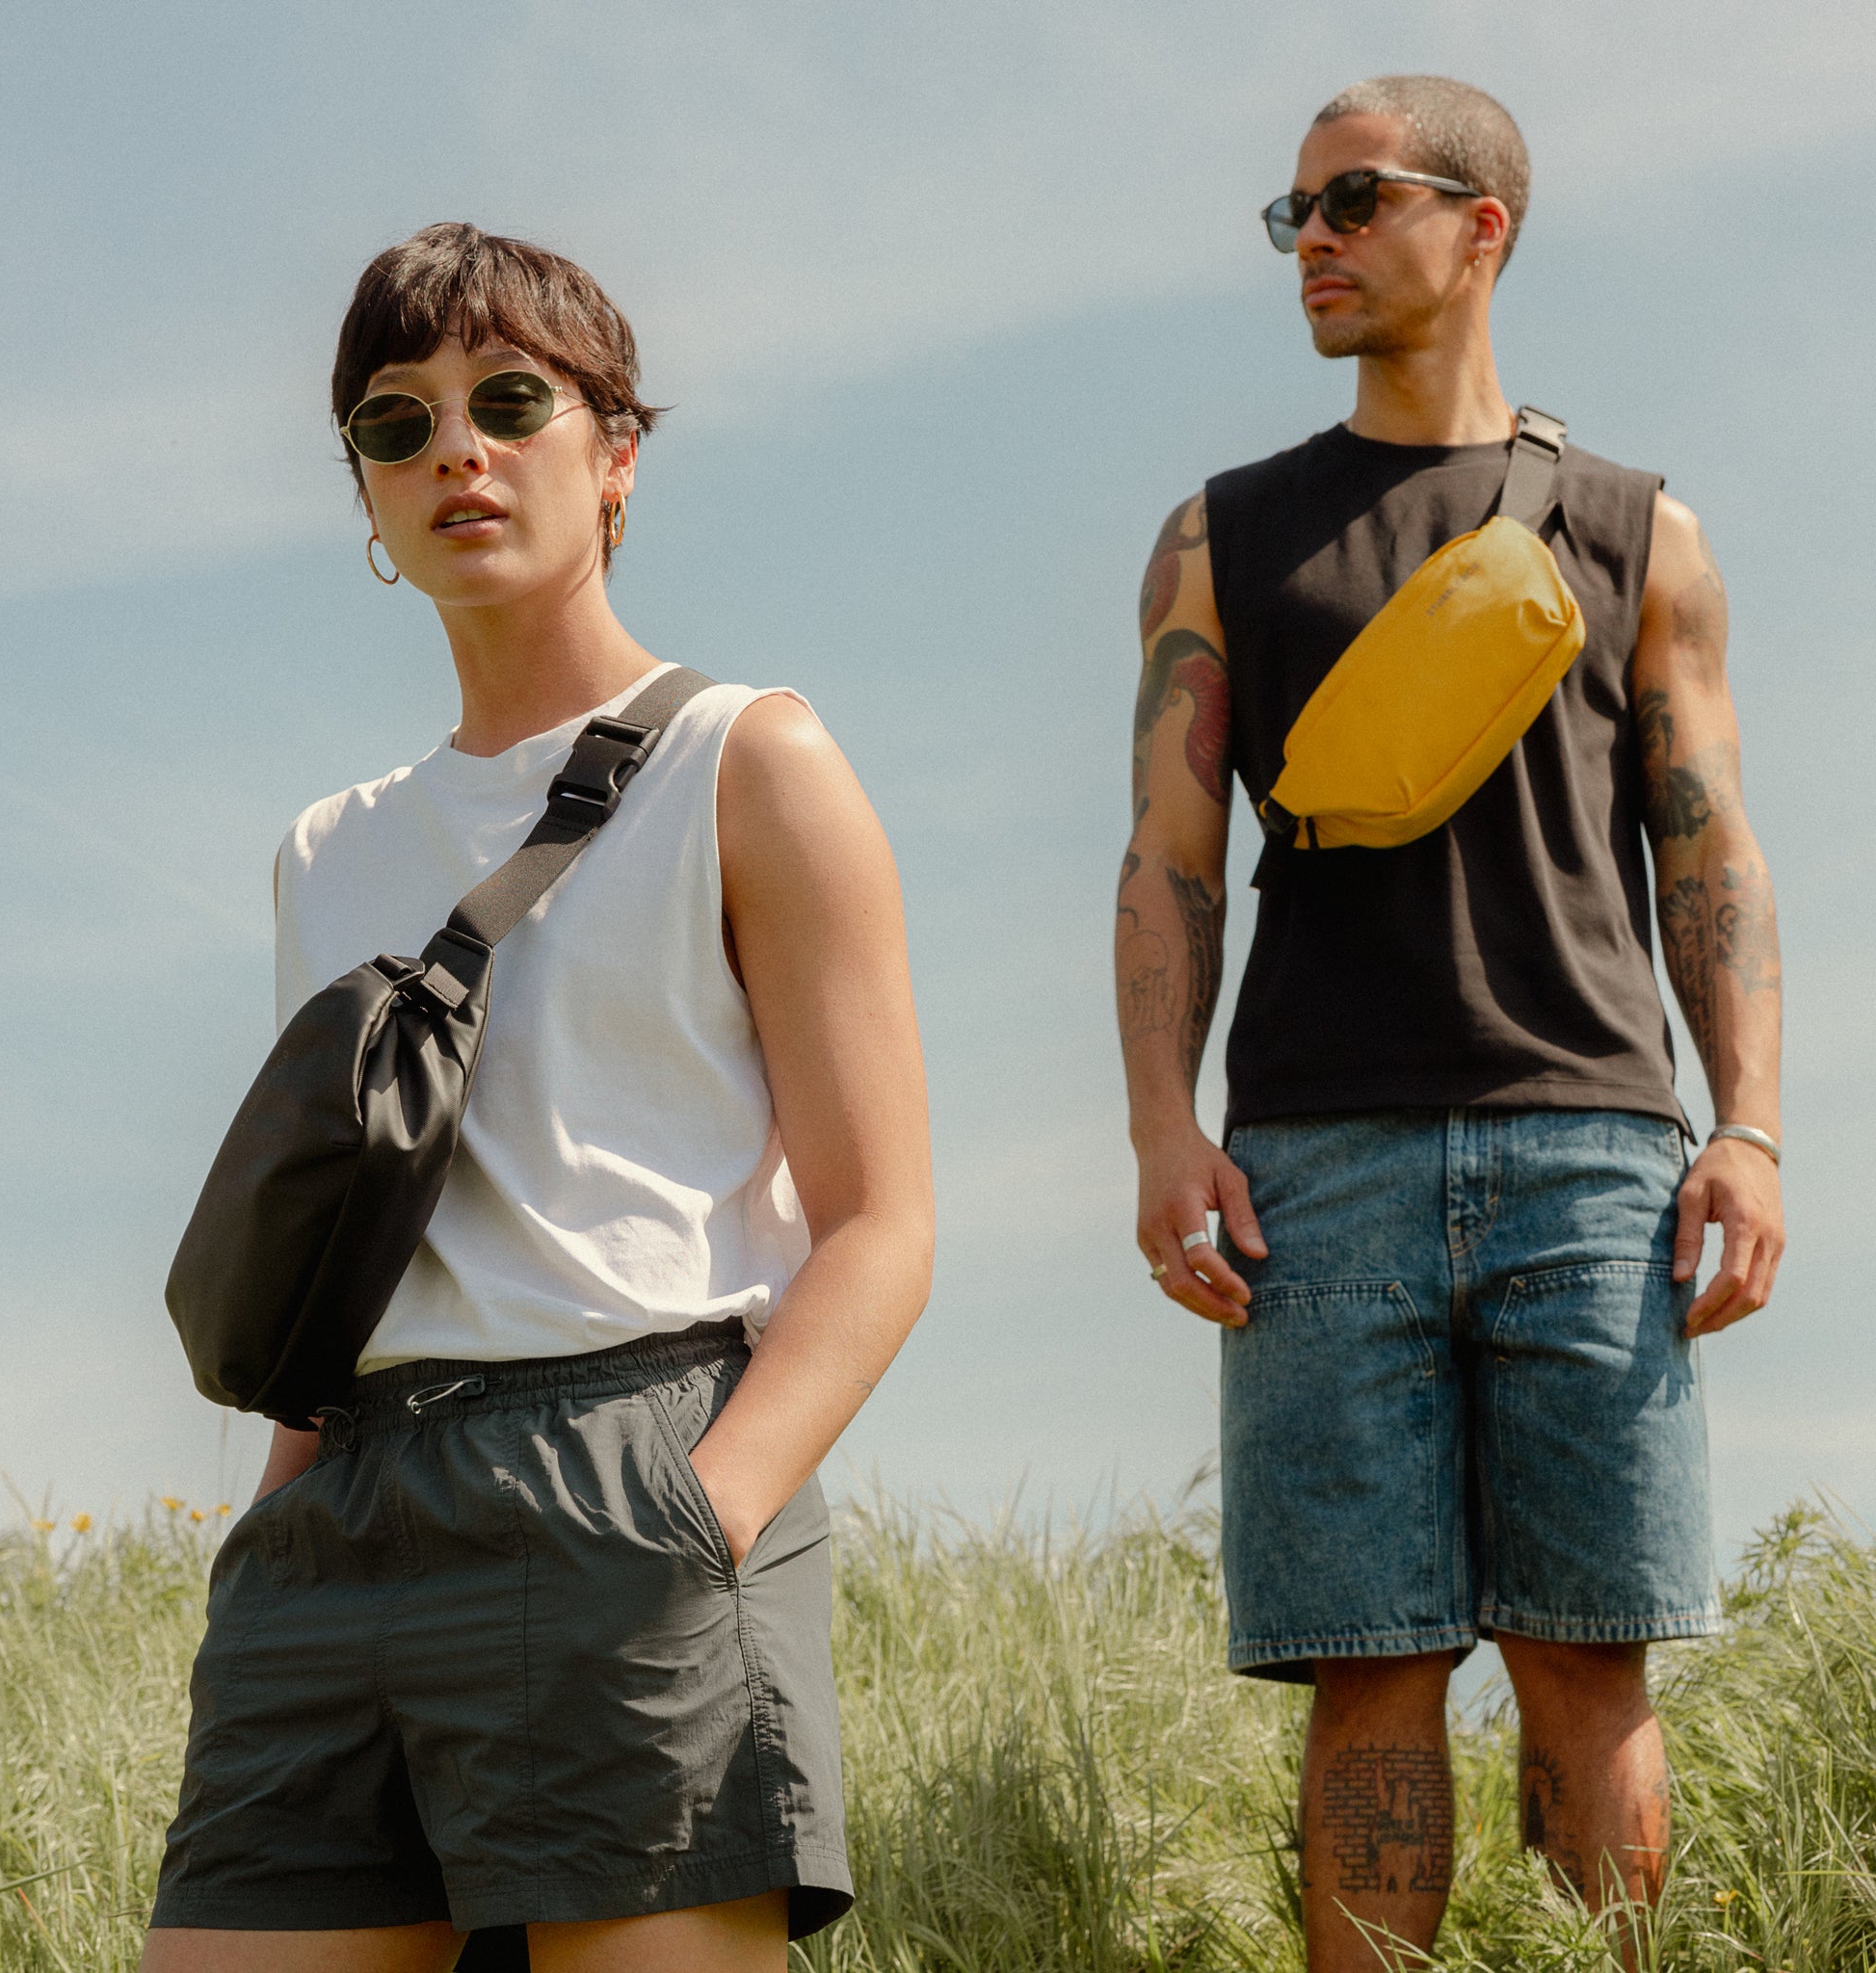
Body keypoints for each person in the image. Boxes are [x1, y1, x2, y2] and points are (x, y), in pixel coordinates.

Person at [144, 223, 934, 1973]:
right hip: (343, 1504)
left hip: (628, 1456)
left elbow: (880, 1225)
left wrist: (701, 1514)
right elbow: (336, 1245)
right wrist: (274, 1526)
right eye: (394, 422)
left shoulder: (752, 756)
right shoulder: (329, 851)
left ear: (617, 452)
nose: (457, 452)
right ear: (362, 492)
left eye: (510, 402)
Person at [1116, 77, 1783, 1970]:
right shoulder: (1217, 537)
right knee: (1366, 1675)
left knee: (1592, 1663)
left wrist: (1748, 1128)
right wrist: (1165, 1129)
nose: (1308, 240)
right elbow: (1164, 858)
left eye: (1350, 203)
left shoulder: (1640, 534)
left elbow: (1709, 847)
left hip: (1592, 1155)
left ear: (1479, 227)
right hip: (1309, 1169)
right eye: (1291, 215)